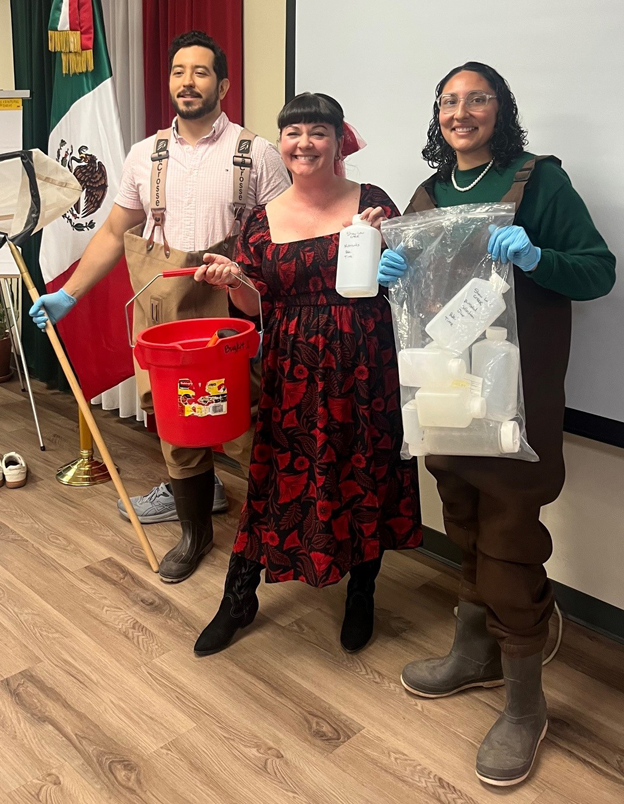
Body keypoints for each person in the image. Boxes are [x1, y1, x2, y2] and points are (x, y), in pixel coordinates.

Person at [378, 62, 616, 786]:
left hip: (515, 407)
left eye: (477, 98)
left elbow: (597, 271)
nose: (461, 111)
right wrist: (393, 270)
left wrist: (539, 256)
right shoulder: (428, 195)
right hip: (447, 401)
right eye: (449, 100)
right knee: (465, 523)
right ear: (437, 117)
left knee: (511, 541)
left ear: (500, 110)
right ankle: (475, 653)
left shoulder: (538, 182)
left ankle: (525, 706)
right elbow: (419, 295)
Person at [29, 31, 289, 584]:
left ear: (223, 84)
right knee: (179, 425)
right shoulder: (144, 155)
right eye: (177, 72)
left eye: (200, 72)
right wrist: (69, 294)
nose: (187, 82)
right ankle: (195, 533)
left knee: (253, 423)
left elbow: (282, 240)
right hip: (167, 316)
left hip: (233, 312)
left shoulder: (258, 152)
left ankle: (266, 536)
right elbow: (114, 230)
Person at [191, 92, 422, 658]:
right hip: (291, 367)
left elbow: (407, 281)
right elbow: (255, 306)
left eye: (317, 131)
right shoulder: (261, 219)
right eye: (293, 133)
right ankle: (238, 598)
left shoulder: (373, 203)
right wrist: (232, 280)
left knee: (363, 470)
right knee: (273, 476)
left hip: (367, 363)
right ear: (282, 143)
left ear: (338, 140)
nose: (304, 143)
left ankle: (362, 592)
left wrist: (387, 247)